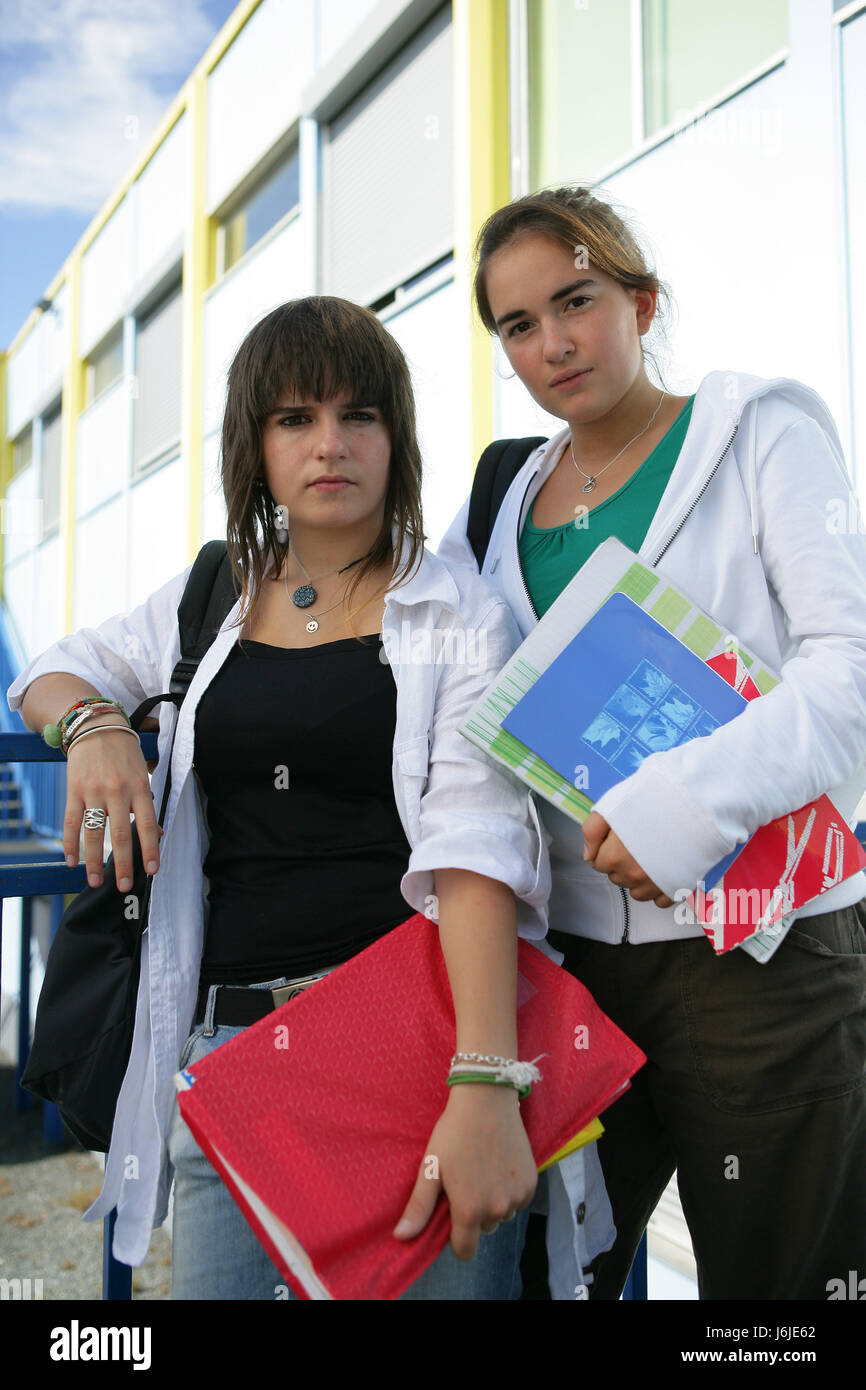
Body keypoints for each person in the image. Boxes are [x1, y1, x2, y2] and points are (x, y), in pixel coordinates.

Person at [8, 296, 560, 1300]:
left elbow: (477, 843)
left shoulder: (455, 610)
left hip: (414, 1046)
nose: (329, 445)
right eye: (294, 419)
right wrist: (93, 727)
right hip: (234, 1059)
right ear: (252, 444)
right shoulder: (211, 593)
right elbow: (53, 670)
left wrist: (483, 1081)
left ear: (395, 436)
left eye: (359, 416)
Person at [437, 186, 866, 1300]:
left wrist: (679, 806)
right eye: (516, 326)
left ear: (640, 300)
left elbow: (848, 670)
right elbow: (418, 660)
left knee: (776, 1291)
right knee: (545, 1277)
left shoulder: (758, 430)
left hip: (760, 957)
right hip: (566, 968)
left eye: (574, 301)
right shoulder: (497, 504)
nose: (552, 344)